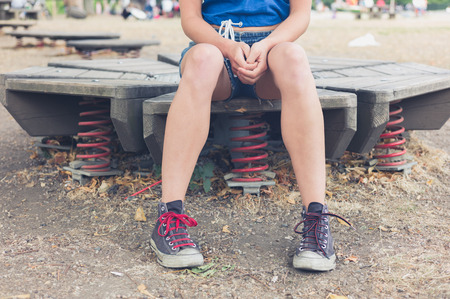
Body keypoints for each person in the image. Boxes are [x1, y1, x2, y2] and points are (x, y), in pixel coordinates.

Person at [150, 0, 351, 272]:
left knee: (294, 57)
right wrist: (229, 47)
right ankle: (169, 217)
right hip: (214, 45)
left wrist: (266, 46)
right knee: (202, 59)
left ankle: (316, 218)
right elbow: (190, 19)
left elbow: (301, 15)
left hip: (273, 47)